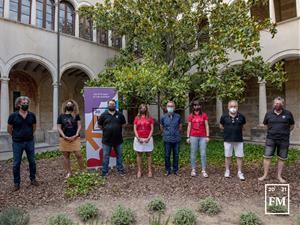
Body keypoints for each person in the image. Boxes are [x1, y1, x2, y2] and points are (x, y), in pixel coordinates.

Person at [258, 97, 294, 183]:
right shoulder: (268, 114)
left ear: (283, 104)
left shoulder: (288, 114)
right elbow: (266, 125)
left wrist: (285, 132)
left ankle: (279, 176)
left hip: (283, 140)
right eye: (276, 103)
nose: (277, 105)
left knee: (281, 158)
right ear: (273, 104)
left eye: (279, 103)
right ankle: (265, 175)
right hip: (271, 139)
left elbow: (292, 125)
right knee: (267, 157)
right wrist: (272, 131)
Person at [7, 96, 38, 191]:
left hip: (29, 141)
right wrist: (17, 136)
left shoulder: (32, 115)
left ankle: (33, 179)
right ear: (19, 104)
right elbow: (9, 129)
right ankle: (16, 183)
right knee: (16, 163)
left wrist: (28, 135)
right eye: (23, 103)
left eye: (27, 103)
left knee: (32, 161)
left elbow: (34, 127)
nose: (25, 104)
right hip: (17, 143)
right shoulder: (13, 116)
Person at [98, 99, 126, 177]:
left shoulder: (120, 114)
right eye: (110, 104)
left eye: (113, 104)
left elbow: (123, 124)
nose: (111, 105)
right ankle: (104, 171)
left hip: (118, 140)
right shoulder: (103, 115)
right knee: (106, 156)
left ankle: (120, 170)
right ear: (108, 105)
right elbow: (99, 125)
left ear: (115, 105)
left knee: (119, 156)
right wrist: (108, 130)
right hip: (107, 140)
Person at [57, 99, 84, 178]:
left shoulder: (76, 115)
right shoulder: (61, 116)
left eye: (71, 104)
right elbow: (59, 127)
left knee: (79, 155)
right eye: (68, 104)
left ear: (73, 106)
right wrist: (64, 136)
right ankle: (69, 172)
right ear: (65, 106)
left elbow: (79, 126)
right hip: (64, 139)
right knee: (66, 156)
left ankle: (82, 170)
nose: (69, 106)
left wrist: (76, 135)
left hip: (75, 138)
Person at [220, 100, 246, 181]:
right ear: (228, 107)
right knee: (227, 156)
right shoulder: (224, 116)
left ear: (237, 107)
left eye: (235, 106)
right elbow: (221, 126)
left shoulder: (241, 116)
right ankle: (227, 171)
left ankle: (239, 172)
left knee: (239, 156)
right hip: (227, 139)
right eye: (231, 106)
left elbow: (243, 126)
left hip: (239, 140)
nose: (233, 108)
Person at [186, 101, 209, 177]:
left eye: (198, 105)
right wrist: (188, 137)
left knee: (203, 153)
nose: (197, 106)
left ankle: (203, 170)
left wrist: (207, 136)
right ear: (193, 107)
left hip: (202, 137)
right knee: (193, 153)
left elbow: (206, 125)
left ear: (200, 106)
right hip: (193, 136)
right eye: (195, 105)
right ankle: (193, 170)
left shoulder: (204, 115)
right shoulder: (191, 116)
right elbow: (189, 126)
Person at [160, 101, 182, 176]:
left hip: (176, 139)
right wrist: (165, 133)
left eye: (172, 106)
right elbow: (161, 127)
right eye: (169, 106)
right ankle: (167, 170)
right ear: (166, 108)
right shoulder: (163, 117)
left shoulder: (178, 116)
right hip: (167, 139)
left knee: (176, 155)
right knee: (167, 155)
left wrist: (176, 133)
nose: (170, 108)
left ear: (174, 108)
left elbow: (180, 126)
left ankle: (175, 170)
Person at [133, 104, 155, 178]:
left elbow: (152, 129)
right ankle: (139, 171)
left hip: (148, 139)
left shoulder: (150, 118)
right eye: (141, 108)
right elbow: (135, 129)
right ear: (139, 109)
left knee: (148, 155)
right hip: (139, 139)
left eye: (144, 108)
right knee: (139, 155)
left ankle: (149, 171)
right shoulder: (136, 118)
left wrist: (148, 138)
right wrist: (138, 138)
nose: (143, 109)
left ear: (146, 109)